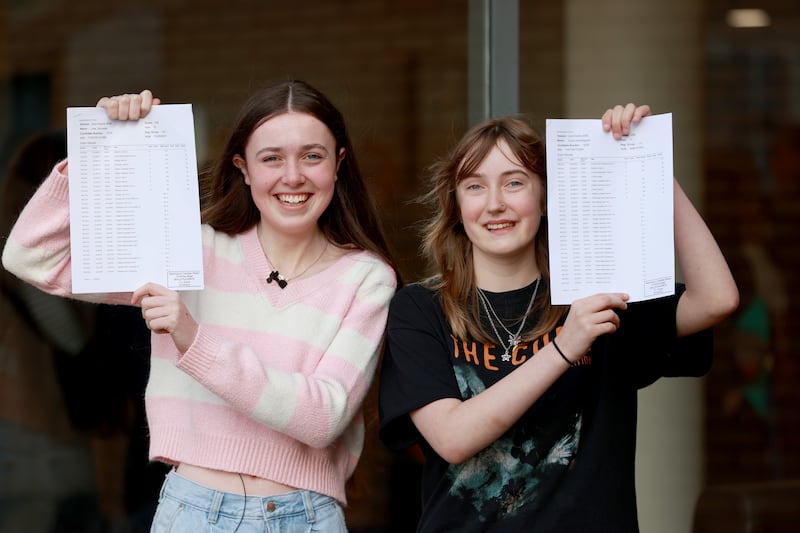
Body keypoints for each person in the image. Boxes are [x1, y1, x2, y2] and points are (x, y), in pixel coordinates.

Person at [3, 81, 399, 532]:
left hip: (303, 517)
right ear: (243, 168)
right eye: (271, 158)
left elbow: (322, 417)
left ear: (339, 164)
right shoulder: (190, 251)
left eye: (312, 156)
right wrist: (101, 148)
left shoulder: (366, 277)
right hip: (192, 513)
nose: (293, 176)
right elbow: (31, 257)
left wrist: (195, 339)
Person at [378, 104, 739, 531]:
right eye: (475, 187)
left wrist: (649, 162)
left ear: (546, 197)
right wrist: (563, 347)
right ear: (456, 206)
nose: (495, 204)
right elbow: (453, 439)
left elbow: (717, 299)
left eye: (514, 183)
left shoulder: (597, 296)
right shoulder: (420, 309)